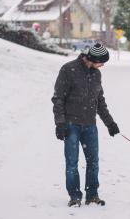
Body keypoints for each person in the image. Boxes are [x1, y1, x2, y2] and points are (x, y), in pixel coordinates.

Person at [51, 43, 120, 207]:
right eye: (101, 62)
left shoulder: (96, 74)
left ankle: (92, 195)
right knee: (72, 163)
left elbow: (99, 102)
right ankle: (75, 196)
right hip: (71, 125)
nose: (103, 66)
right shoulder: (68, 70)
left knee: (93, 162)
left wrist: (110, 123)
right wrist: (60, 123)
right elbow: (58, 98)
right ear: (93, 59)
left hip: (90, 125)